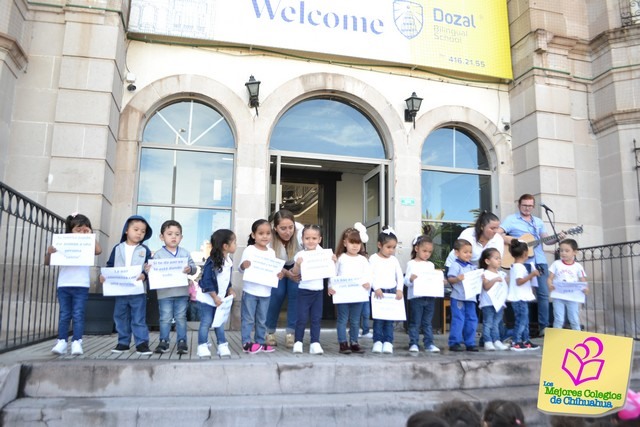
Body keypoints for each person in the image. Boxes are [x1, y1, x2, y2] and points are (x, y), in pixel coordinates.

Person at [499, 194, 563, 336]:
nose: (527, 208)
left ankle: (544, 328)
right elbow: (498, 234)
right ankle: (523, 329)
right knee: (524, 295)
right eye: (524, 205)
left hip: (539, 261)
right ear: (519, 205)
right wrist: (515, 241)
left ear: (533, 206)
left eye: (530, 206)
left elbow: (546, 241)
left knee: (543, 295)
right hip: (522, 263)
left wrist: (557, 237)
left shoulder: (538, 222)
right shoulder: (511, 219)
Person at [46, 213, 102, 355]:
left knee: (78, 313)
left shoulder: (88, 243)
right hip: (64, 283)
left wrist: (91, 236)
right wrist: (49, 253)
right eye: (78, 229)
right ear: (71, 230)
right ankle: (62, 341)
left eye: (85, 229)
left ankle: (77, 341)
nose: (82, 232)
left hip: (81, 284)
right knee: (65, 314)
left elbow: (98, 251)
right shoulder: (63, 242)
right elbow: (47, 262)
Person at [100, 215, 153, 355]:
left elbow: (148, 267)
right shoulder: (117, 248)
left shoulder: (145, 250)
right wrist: (103, 276)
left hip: (138, 291)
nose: (139, 233)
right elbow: (110, 266)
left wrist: (144, 275)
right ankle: (123, 342)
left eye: (143, 231)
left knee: (138, 317)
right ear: (126, 231)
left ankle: (142, 343)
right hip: (120, 290)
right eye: (136, 229)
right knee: (120, 316)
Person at [151, 220, 196, 355]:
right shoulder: (158, 254)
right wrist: (148, 268)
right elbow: (153, 271)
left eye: (177, 234)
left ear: (181, 237)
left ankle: (182, 342)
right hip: (164, 293)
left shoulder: (185, 253)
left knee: (181, 317)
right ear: (162, 237)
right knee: (165, 318)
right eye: (169, 234)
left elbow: (194, 268)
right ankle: (163, 342)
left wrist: (190, 269)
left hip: (181, 292)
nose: (173, 237)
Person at [290, 224, 334, 355]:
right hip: (304, 291)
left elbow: (331, 272)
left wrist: (334, 262)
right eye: (307, 238)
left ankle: (315, 342)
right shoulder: (300, 254)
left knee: (316, 318)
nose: (310, 241)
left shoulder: (324, 254)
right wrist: (297, 264)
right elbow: (294, 272)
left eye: (314, 238)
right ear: (302, 239)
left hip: (318, 291)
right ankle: (298, 342)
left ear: (319, 239)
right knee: (301, 318)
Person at [329, 224, 371, 354]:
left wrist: (367, 283)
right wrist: (330, 286)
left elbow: (368, 274)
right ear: (345, 243)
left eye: (358, 243)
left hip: (358, 295)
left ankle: (354, 342)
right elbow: (333, 273)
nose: (355, 246)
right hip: (342, 295)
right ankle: (342, 343)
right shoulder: (340, 258)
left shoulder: (363, 260)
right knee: (342, 319)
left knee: (355, 320)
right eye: (352, 242)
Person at [196, 229, 237, 358]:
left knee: (220, 322)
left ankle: (222, 345)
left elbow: (225, 279)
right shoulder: (212, 261)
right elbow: (207, 280)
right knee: (206, 322)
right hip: (208, 298)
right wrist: (214, 297)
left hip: (220, 299)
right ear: (225, 246)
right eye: (234, 242)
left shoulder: (228, 261)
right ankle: (202, 345)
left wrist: (230, 289)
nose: (236, 245)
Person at [240, 219, 277, 354]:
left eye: (268, 233)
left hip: (266, 291)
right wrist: (244, 265)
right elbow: (241, 268)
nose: (265, 236)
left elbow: (272, 269)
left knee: (262, 319)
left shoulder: (271, 252)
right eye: (261, 233)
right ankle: (246, 342)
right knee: (248, 318)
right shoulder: (249, 250)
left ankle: (260, 342)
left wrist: (277, 274)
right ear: (253, 235)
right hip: (250, 291)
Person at [266, 209, 302, 348]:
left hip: (297, 265)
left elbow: (309, 251)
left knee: (295, 294)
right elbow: (268, 259)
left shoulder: (300, 233)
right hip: (277, 266)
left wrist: (295, 270)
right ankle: (269, 332)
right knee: (277, 294)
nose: (288, 232)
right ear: (275, 228)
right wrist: (286, 273)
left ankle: (290, 334)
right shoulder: (269, 237)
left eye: (290, 227)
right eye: (283, 228)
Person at [370, 227, 404, 354]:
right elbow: (370, 274)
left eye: (393, 247)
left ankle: (388, 342)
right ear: (379, 245)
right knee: (378, 319)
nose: (391, 250)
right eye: (388, 247)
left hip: (391, 291)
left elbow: (399, 275)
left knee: (389, 319)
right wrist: (376, 287)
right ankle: (377, 341)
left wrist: (399, 289)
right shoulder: (373, 258)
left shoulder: (394, 260)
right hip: (378, 292)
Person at [405, 234, 441, 353]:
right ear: (417, 249)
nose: (427, 254)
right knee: (415, 321)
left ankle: (429, 343)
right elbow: (406, 281)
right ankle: (413, 343)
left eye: (429, 252)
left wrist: (439, 281)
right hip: (416, 297)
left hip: (429, 297)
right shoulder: (411, 264)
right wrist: (411, 279)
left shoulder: (430, 265)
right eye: (424, 251)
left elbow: (431, 280)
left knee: (427, 322)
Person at [507, 239, 540, 351]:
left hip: (520, 297)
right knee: (521, 320)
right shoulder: (519, 267)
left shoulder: (516, 266)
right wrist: (532, 275)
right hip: (519, 298)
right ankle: (516, 340)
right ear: (525, 254)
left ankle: (525, 340)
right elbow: (519, 281)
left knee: (525, 320)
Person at [548, 238, 588, 331]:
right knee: (558, 319)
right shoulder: (556, 264)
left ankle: (577, 338)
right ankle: (556, 339)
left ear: (574, 252)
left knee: (574, 319)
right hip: (558, 296)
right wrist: (550, 285)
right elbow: (550, 278)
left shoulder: (578, 266)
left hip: (572, 297)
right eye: (561, 250)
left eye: (567, 251)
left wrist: (585, 289)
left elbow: (583, 281)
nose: (563, 253)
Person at [447, 239, 479, 352]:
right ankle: (454, 342)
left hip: (471, 297)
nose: (468, 254)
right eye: (465, 252)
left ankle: (470, 342)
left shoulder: (472, 266)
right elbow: (450, 279)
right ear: (457, 253)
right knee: (458, 319)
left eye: (470, 252)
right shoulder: (455, 265)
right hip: (458, 297)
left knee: (472, 319)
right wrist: (457, 278)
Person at [479, 248, 509, 351]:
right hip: (488, 303)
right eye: (496, 258)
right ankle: (487, 341)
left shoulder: (501, 273)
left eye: (500, 258)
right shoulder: (485, 273)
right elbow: (486, 286)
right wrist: (494, 280)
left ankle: (496, 340)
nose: (499, 260)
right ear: (487, 261)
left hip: (499, 303)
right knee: (488, 322)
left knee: (496, 322)